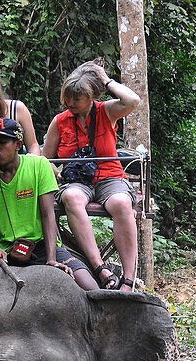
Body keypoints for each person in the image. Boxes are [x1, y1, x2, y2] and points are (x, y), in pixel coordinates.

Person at [0, 118, 96, 291]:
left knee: (88, 283)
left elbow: (47, 215)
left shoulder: (39, 165)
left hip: (40, 245)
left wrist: (52, 258)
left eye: (2, 142)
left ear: (18, 145)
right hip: (4, 250)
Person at [42, 60, 141, 291]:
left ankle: (128, 279)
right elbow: (45, 158)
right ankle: (100, 268)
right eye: (68, 98)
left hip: (110, 177)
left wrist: (105, 80)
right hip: (77, 180)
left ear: (90, 97)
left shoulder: (106, 111)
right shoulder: (60, 121)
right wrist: (56, 171)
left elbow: (133, 100)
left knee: (121, 202)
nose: (71, 103)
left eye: (77, 98)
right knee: (72, 198)